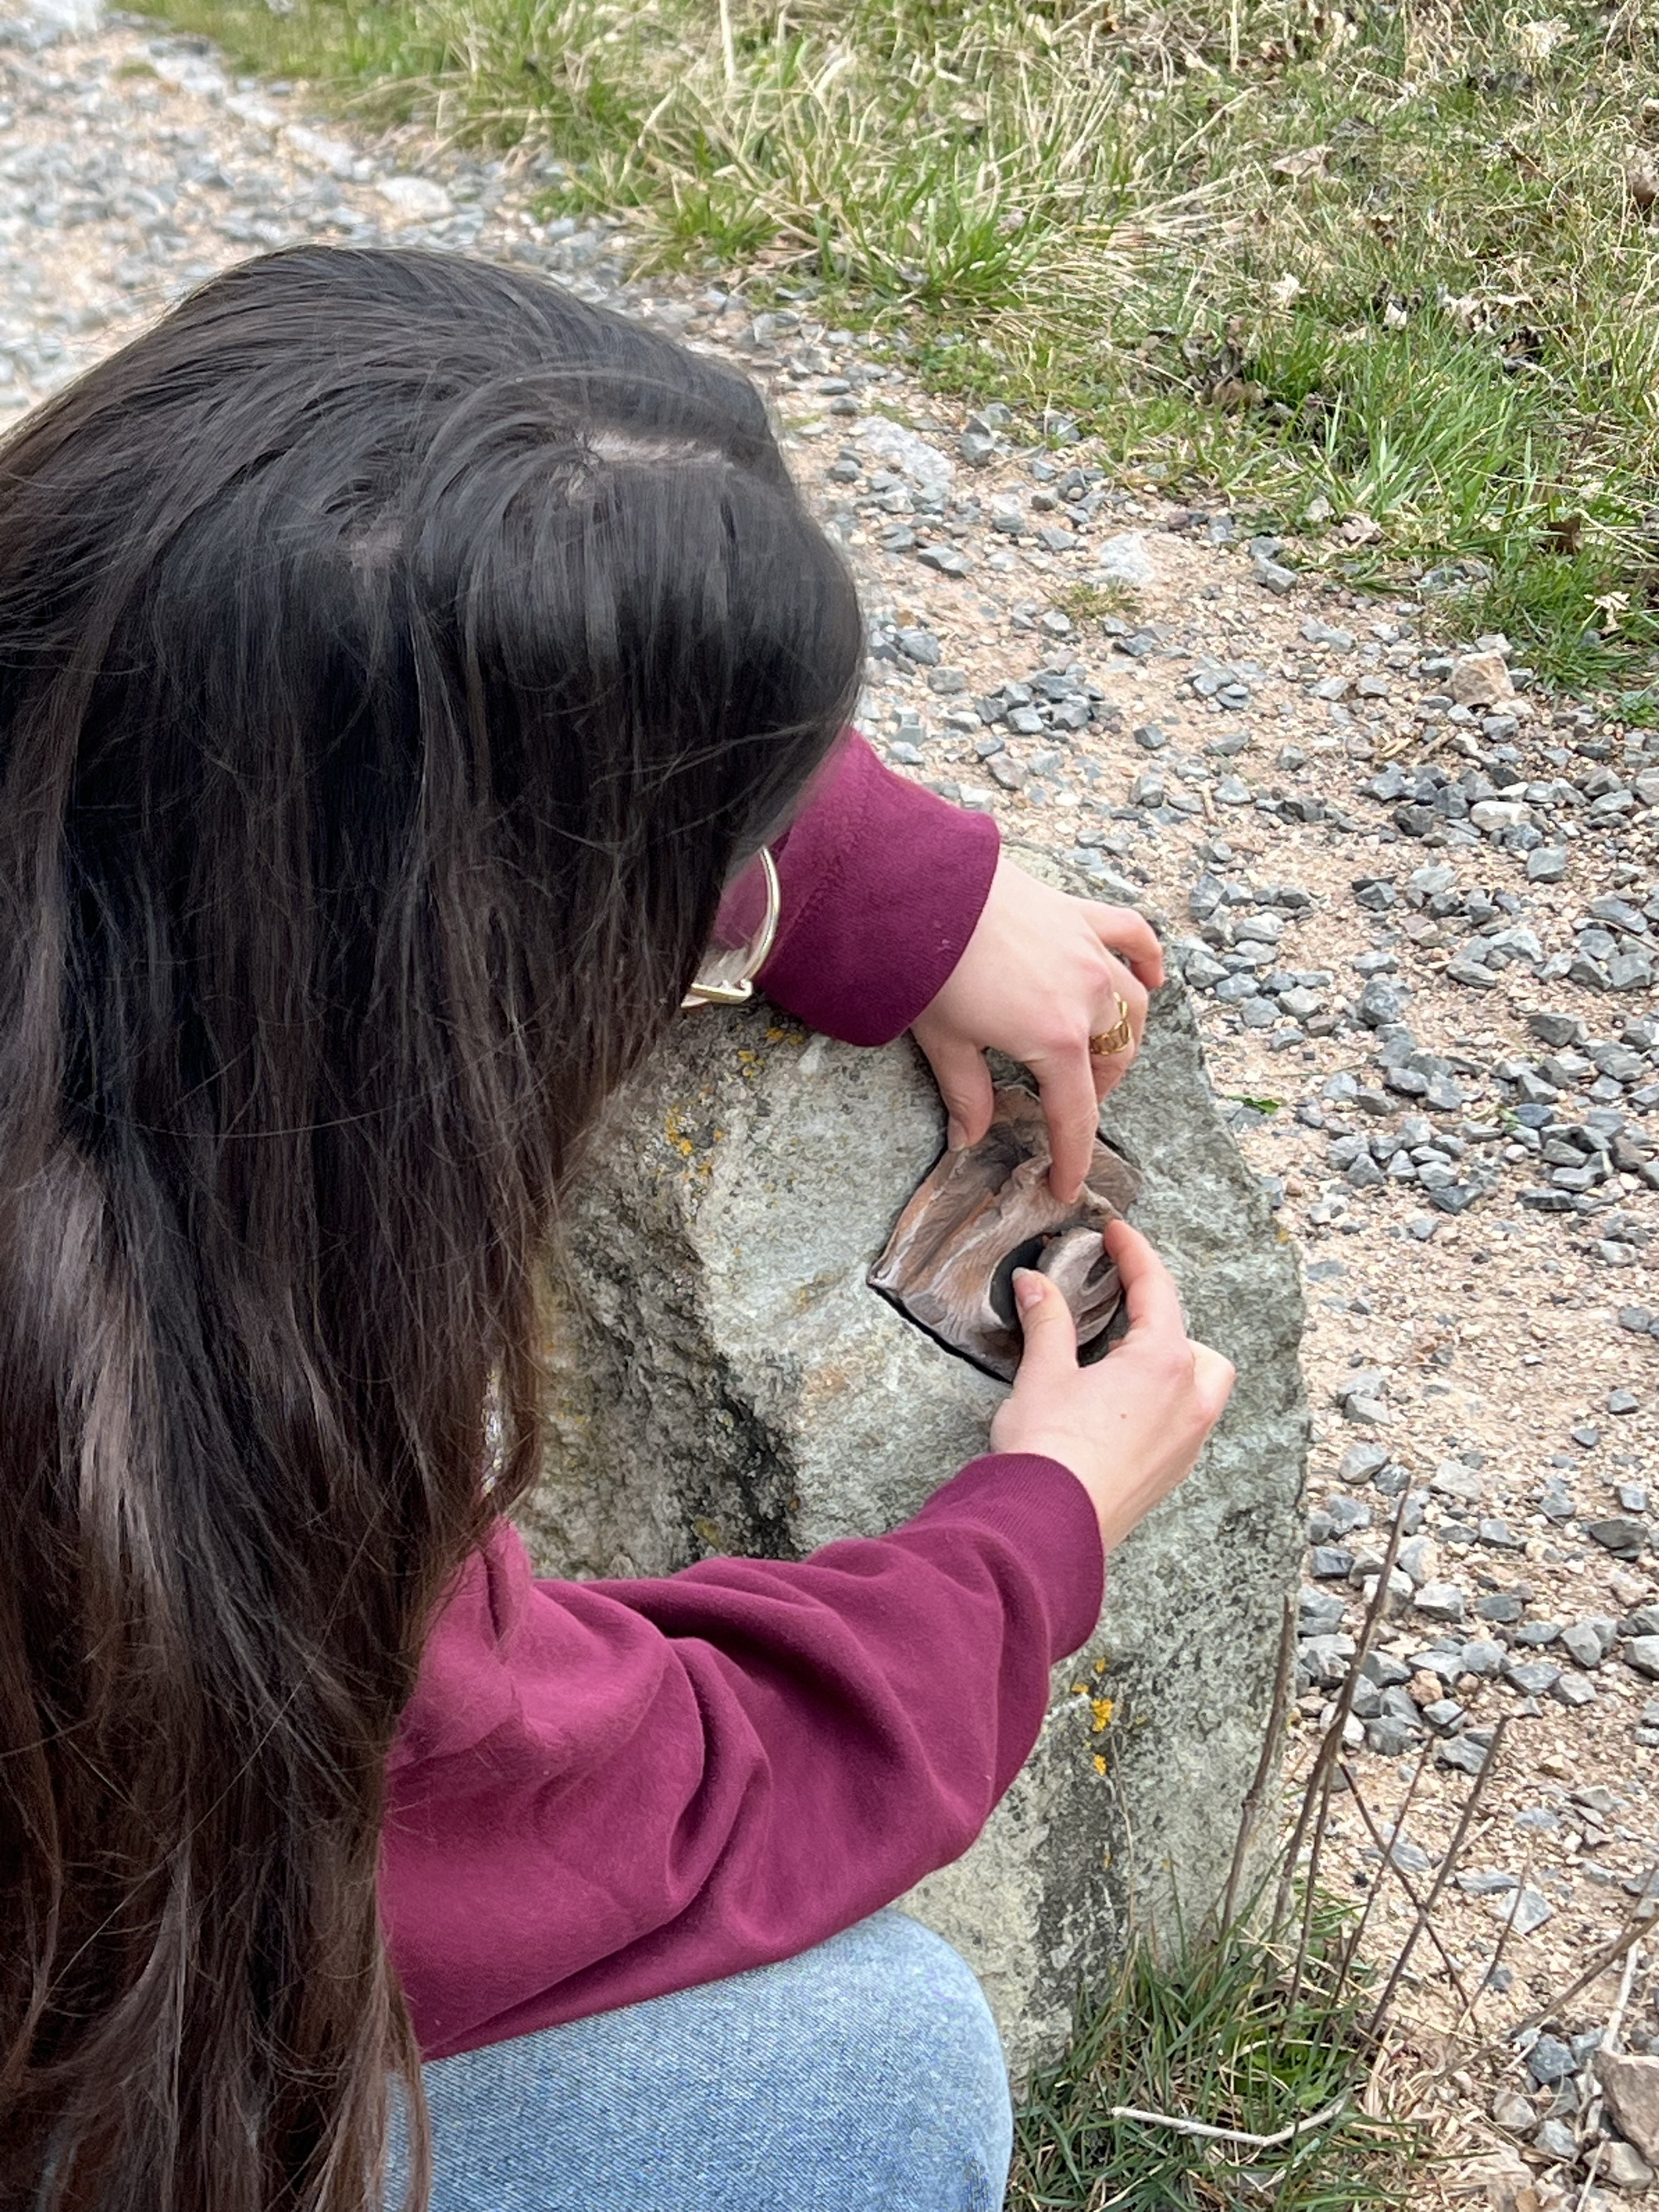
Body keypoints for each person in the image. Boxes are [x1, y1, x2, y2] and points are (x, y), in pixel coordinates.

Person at [0, 245, 1233, 2212]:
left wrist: (866, 875)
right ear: (436, 972)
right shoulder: (148, 1439)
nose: (716, 928)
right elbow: (627, 1806)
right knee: (876, 2063)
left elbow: (282, 660)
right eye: (688, 901)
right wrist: (1032, 1533)